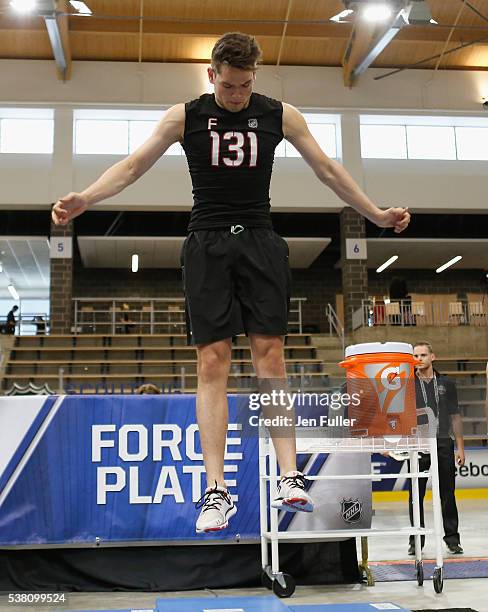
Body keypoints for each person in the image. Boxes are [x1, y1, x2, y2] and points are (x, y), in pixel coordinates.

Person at [51, 32, 410, 533]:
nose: (238, 95)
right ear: (211, 75)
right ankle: (215, 490)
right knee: (212, 361)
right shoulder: (186, 116)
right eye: (229, 85)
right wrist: (86, 198)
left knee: (271, 355)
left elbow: (326, 169)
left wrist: (373, 213)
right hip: (207, 242)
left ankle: (290, 477)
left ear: (254, 78)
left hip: (260, 240)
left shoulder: (280, 115)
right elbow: (133, 166)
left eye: (245, 85)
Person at [407, 342, 465, 555]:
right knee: (416, 493)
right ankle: (416, 540)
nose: (419, 359)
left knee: (447, 493)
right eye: (415, 355)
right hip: (417, 443)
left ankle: (452, 538)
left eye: (423, 355)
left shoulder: (446, 384)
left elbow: (455, 416)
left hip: (442, 441)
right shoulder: (407, 384)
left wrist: (460, 447)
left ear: (433, 357)